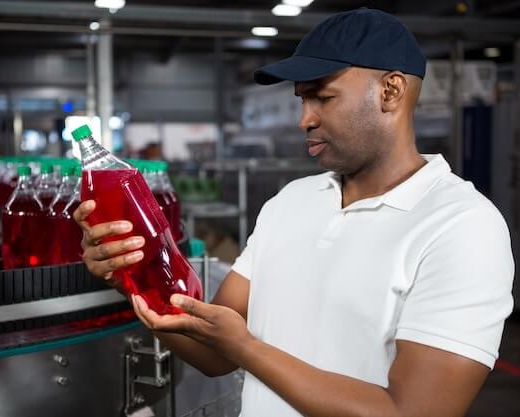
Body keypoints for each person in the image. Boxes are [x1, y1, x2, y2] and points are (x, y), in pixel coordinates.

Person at [73, 8, 514, 417]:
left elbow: (412, 411)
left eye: (323, 97)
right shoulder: (290, 203)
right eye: (302, 100)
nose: (304, 118)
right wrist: (128, 275)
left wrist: (246, 347)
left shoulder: (461, 226)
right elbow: (213, 352)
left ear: (391, 91)